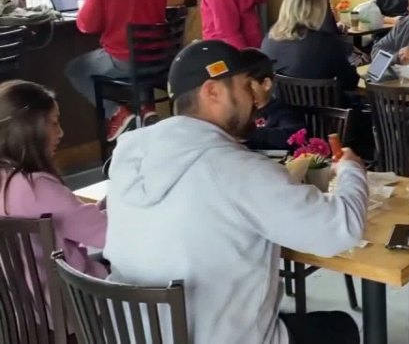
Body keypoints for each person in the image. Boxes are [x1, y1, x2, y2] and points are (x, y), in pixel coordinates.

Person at [103, 39, 367, 344]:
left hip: (136, 334)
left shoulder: (128, 157)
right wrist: (351, 171)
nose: (255, 99)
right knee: (341, 327)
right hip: (221, 337)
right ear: (212, 92)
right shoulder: (237, 170)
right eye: (245, 87)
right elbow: (341, 228)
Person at [0, 81, 107, 305]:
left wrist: (97, 210)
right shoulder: (35, 188)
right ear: (28, 131)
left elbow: (73, 219)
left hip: (25, 312)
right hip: (73, 309)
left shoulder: (7, 180)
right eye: (54, 123)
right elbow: (107, 235)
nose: (61, 133)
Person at [64, 0, 168, 141]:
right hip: (159, 59)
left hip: (124, 60)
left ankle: (117, 114)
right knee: (141, 53)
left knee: (75, 69)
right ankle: (147, 110)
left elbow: (87, 26)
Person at [261, 0, 359, 93]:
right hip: (326, 109)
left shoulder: (268, 40)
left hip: (280, 107)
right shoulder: (327, 43)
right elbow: (350, 82)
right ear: (318, 12)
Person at [240, 48, 307, 152]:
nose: (240, 92)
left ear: (266, 84)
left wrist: (249, 134)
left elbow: (293, 136)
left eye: (247, 86)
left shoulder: (282, 112)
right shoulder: (236, 113)